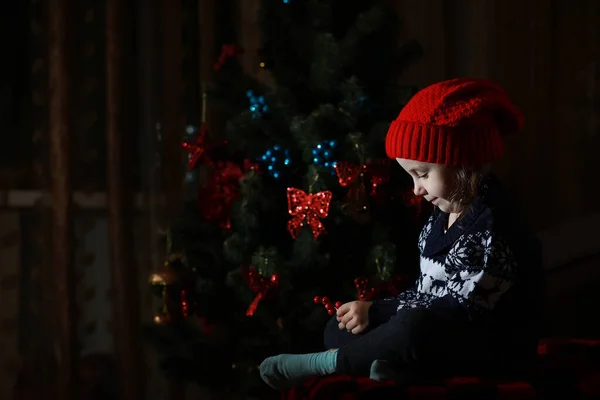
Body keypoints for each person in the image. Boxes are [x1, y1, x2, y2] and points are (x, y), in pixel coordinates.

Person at [259, 78, 544, 390]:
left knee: (412, 328)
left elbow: (455, 311)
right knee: (340, 327)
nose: (416, 189)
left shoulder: (492, 227)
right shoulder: (444, 214)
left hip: (491, 348)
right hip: (439, 329)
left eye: (422, 174)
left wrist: (383, 311)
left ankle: (329, 363)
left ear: (463, 163)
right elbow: (426, 292)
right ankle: (388, 363)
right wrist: (371, 312)